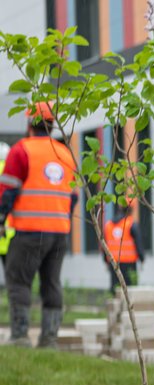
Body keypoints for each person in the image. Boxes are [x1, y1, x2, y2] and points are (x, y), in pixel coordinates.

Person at [0, 102, 76, 348]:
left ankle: (21, 336)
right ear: (52, 124)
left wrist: (1, 219)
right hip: (59, 233)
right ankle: (49, 338)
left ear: (28, 122)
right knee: (51, 282)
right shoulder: (65, 154)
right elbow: (72, 197)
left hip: (30, 231)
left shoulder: (21, 150)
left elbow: (7, 192)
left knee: (19, 279)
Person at [102, 200, 145, 293]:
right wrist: (142, 258)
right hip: (129, 263)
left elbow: (104, 245)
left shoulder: (108, 225)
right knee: (130, 290)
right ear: (131, 210)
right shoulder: (131, 224)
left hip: (113, 263)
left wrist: (105, 260)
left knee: (115, 289)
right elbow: (139, 243)